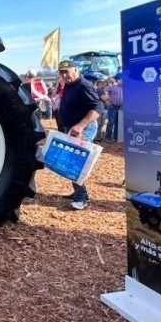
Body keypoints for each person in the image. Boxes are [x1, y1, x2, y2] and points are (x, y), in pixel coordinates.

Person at [56, 60, 104, 210]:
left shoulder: (84, 85)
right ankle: (78, 191)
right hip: (72, 128)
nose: (64, 75)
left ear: (75, 70)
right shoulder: (70, 84)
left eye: (67, 72)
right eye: (61, 72)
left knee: (76, 163)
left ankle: (82, 197)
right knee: (71, 161)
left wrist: (80, 125)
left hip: (84, 129)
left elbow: (98, 107)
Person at [104, 73, 123, 142]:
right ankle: (107, 137)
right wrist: (106, 101)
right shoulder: (112, 86)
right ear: (118, 80)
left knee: (118, 122)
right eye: (122, 80)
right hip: (112, 106)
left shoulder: (124, 87)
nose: (123, 81)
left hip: (121, 107)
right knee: (111, 122)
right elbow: (104, 91)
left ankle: (116, 137)